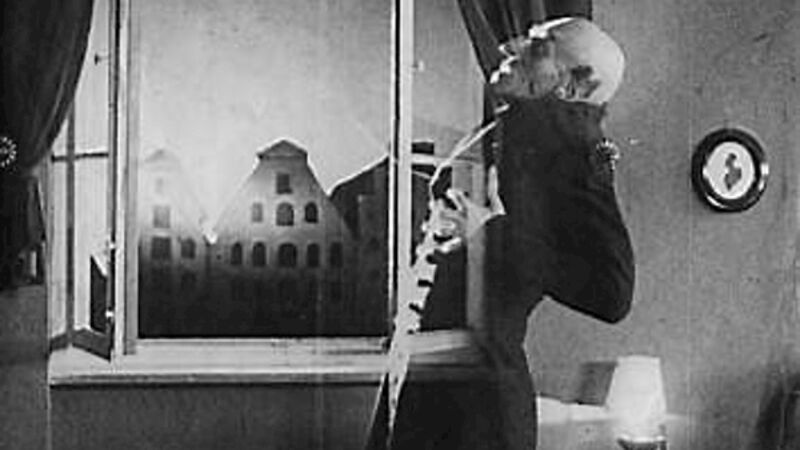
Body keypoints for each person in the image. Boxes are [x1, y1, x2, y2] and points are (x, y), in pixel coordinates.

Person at [430, 17, 635, 450]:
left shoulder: (579, 154)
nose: (509, 45)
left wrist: (490, 233)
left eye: (539, 47)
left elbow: (612, 292)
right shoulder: (511, 130)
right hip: (435, 391)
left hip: (481, 418)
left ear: (573, 87)